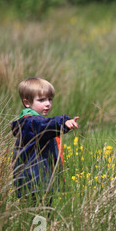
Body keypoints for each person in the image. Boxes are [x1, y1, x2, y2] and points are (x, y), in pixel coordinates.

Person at [11, 77, 79, 206]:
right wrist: (63, 121)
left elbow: (47, 126)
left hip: (37, 181)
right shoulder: (30, 122)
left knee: (39, 216)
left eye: (50, 99)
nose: (47, 103)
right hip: (34, 182)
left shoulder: (32, 122)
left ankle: (41, 226)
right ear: (27, 102)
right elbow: (47, 125)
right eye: (41, 100)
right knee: (38, 216)